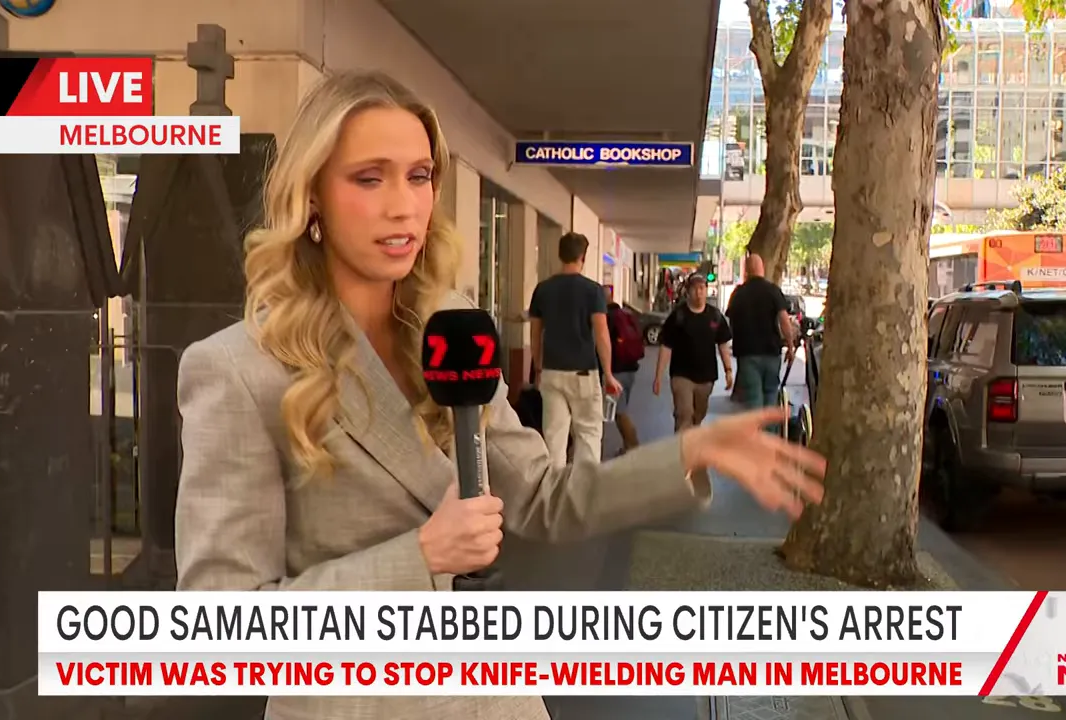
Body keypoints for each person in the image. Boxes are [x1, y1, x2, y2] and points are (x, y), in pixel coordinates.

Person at [173, 70, 826, 720]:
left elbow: (541, 497)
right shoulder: (236, 370)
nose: (403, 205)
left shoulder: (453, 328)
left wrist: (688, 452)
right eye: (369, 178)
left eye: (420, 176)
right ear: (310, 195)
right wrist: (420, 558)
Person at [528, 232, 620, 466]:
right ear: (583, 256)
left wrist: (538, 367)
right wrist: (608, 373)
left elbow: (536, 332)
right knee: (588, 436)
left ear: (561, 254)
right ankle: (585, 495)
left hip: (551, 372)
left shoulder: (543, 289)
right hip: (583, 373)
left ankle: (554, 496)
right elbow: (601, 333)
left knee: (554, 439)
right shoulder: (593, 291)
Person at [653, 273, 734, 431]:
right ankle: (682, 452)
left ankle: (693, 440)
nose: (699, 292)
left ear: (706, 290)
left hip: (706, 377)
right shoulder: (678, 316)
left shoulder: (715, 316)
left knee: (698, 415)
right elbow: (666, 346)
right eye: (695, 288)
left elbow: (723, 344)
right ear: (688, 291)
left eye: (702, 288)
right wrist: (658, 376)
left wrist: (728, 370)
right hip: (681, 375)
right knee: (684, 413)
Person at [725, 253, 797, 409]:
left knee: (753, 399)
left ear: (746, 271)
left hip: (747, 354)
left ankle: (756, 430)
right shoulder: (772, 291)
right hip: (771, 353)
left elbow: (731, 323)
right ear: (762, 269)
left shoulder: (738, 294)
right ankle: (769, 431)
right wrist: (790, 347)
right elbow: (784, 321)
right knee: (770, 395)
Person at [604, 284, 644, 452]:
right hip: (630, 369)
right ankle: (628, 446)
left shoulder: (607, 318)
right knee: (621, 408)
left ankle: (633, 446)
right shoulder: (626, 315)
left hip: (616, 371)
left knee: (619, 411)